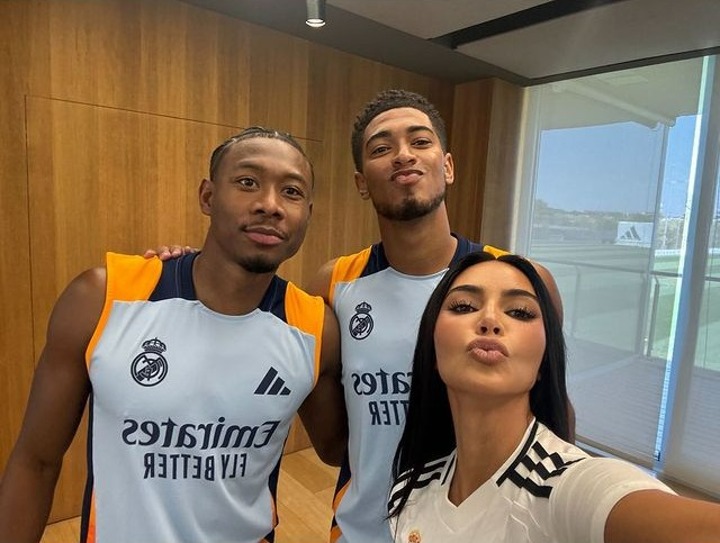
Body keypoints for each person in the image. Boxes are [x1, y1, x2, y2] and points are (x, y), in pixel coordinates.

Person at [148, 89, 566, 543]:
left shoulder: (522, 284)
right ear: (361, 182)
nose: (403, 155)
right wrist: (184, 269)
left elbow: (554, 417)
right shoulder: (333, 284)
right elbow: (332, 444)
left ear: (447, 166)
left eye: (420, 141)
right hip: (361, 531)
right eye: (382, 148)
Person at [0, 127, 347, 543]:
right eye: (247, 182)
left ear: (307, 214)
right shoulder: (103, 298)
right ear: (208, 197)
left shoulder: (315, 328)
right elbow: (35, 462)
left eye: (291, 192)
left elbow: (338, 450)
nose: (269, 205)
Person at [389, 250, 720, 543]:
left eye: (520, 312)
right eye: (464, 306)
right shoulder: (410, 492)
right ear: (433, 350)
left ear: (543, 363)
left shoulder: (568, 489)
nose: (489, 320)